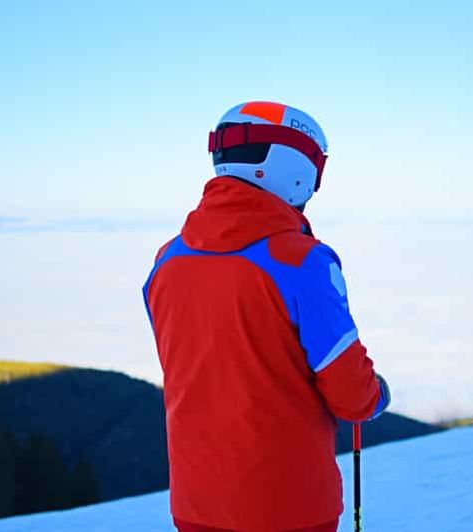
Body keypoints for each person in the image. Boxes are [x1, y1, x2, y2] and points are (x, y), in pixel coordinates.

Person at [143, 101, 390, 532]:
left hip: (195, 503)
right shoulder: (302, 262)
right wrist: (377, 395)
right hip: (289, 506)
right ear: (295, 164)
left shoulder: (168, 259)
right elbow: (352, 394)